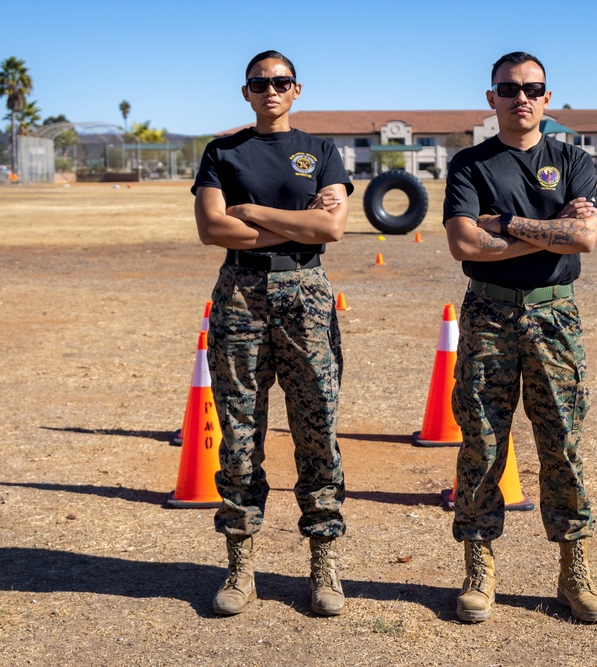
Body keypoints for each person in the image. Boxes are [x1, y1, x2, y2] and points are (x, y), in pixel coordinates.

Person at [442, 52, 597, 624]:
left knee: (562, 442)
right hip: (488, 313)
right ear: (491, 99)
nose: (522, 98)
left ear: (547, 96)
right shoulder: (471, 165)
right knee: (483, 443)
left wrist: (506, 224)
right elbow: (464, 245)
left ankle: (574, 567)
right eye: (509, 89)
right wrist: (551, 231)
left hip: (555, 317)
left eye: (532, 89)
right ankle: (479, 569)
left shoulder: (572, 159)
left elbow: (584, 238)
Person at [191, 50, 353, 617]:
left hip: (306, 296)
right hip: (240, 296)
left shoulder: (322, 151)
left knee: (317, 430)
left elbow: (331, 226)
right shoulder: (223, 152)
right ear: (246, 92)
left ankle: (323, 562)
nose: (271, 90)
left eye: (281, 82)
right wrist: (295, 225)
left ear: (297, 89)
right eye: (260, 83)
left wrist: (253, 213)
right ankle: (240, 565)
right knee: (238, 433)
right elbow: (213, 228)